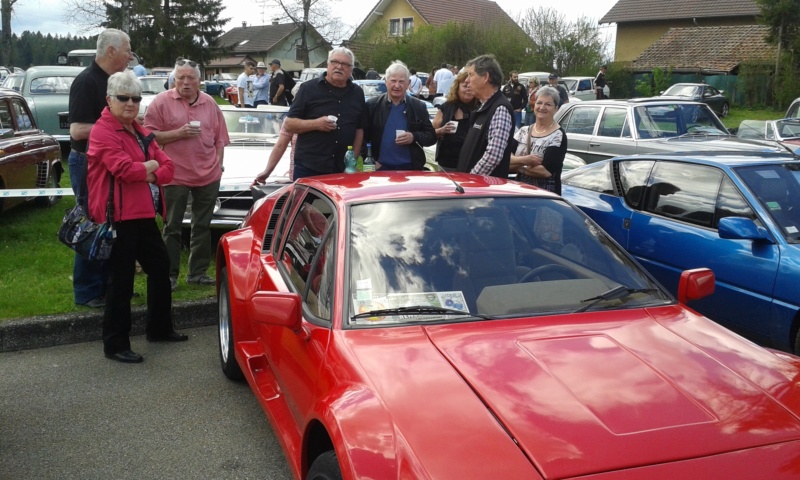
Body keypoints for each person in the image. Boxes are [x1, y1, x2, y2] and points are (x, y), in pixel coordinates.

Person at [87, 71, 188, 364]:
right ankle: (115, 344)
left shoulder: (139, 130)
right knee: (121, 281)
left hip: (142, 212)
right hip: (117, 215)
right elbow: (123, 170)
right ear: (110, 99)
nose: (131, 104)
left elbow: (169, 168)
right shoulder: (103, 130)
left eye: (136, 98)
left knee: (160, 267)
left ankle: (158, 328)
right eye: (123, 98)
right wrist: (152, 167)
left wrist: (149, 169)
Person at [144, 58, 230, 291]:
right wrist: (179, 133)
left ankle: (197, 273)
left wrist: (218, 167)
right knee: (172, 226)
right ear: (173, 80)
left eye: (190, 77)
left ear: (199, 81)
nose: (185, 82)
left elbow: (220, 139)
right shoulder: (161, 102)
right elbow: (149, 136)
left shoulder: (210, 103)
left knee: (202, 225)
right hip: (175, 175)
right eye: (180, 77)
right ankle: (170, 274)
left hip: (208, 175)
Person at [67, 28, 133, 309]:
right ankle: (87, 291)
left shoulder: (113, 82)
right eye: (127, 49)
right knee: (91, 224)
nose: (131, 55)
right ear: (111, 51)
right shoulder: (86, 82)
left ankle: (109, 287)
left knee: (111, 223)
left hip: (108, 163)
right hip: (87, 163)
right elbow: (78, 130)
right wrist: (116, 128)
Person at [283, 47, 367, 179]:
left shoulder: (357, 93)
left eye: (345, 64)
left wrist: (352, 163)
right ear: (328, 64)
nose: (339, 67)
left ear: (351, 69)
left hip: (341, 168)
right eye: (335, 62)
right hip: (309, 167)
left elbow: (359, 129)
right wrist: (316, 124)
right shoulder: (308, 89)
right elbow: (289, 124)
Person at [364, 60, 436, 170]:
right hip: (380, 169)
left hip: (411, 170)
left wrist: (414, 136)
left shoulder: (418, 106)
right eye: (393, 81)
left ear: (408, 83)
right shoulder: (372, 105)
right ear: (386, 81)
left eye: (401, 81)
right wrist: (371, 162)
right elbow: (361, 137)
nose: (397, 85)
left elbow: (431, 137)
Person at [456, 54, 515, 179]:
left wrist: (471, 179)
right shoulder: (485, 107)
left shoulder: (500, 109)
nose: (467, 80)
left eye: (471, 75)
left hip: (484, 193)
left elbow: (494, 155)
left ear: (485, 77)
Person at [509, 86, 567, 195]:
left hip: (544, 198)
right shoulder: (523, 131)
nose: (542, 107)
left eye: (548, 104)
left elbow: (545, 171)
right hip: (519, 193)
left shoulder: (558, 135)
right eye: (539, 103)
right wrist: (526, 160)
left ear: (556, 108)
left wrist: (517, 165)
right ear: (534, 105)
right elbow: (505, 162)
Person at [431, 71, 478, 172]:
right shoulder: (446, 107)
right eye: (465, 86)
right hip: (447, 163)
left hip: (472, 164)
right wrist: (442, 130)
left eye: (471, 86)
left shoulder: (480, 108)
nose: (468, 89)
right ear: (457, 87)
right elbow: (430, 133)